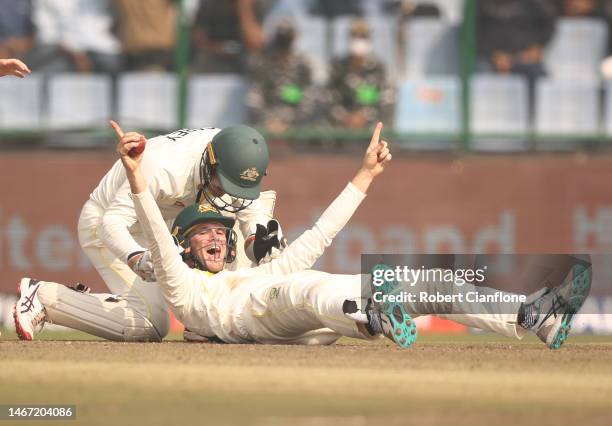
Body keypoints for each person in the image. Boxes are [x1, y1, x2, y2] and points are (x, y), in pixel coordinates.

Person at [14, 123, 592, 349]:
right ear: (184, 247)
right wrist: (145, 232)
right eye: (205, 236)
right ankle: (50, 297)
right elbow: (140, 230)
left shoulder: (238, 255)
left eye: (222, 232)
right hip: (118, 224)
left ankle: (526, 315)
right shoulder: (185, 284)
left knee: (404, 281)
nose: (217, 239)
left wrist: (364, 177)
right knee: (149, 324)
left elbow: (311, 241)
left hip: (271, 305)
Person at [72, 123, 282, 342]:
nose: (229, 195)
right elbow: (111, 222)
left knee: (264, 235)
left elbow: (253, 218)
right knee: (150, 323)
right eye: (224, 186)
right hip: (115, 226)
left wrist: (262, 246)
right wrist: (136, 257)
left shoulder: (236, 154)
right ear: (210, 164)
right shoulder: (163, 167)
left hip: (165, 221)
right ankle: (42, 297)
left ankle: (211, 320)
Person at [246, 19, 315, 133]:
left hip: (295, 125)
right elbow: (254, 98)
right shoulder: (263, 64)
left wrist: (289, 122)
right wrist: (268, 121)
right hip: (267, 125)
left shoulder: (303, 66)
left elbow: (309, 99)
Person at [326, 19, 392, 129]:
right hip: (341, 130)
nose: (359, 41)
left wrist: (364, 116)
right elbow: (328, 98)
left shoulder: (378, 68)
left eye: (363, 37)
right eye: (355, 37)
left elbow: (385, 101)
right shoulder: (339, 67)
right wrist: (345, 117)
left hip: (369, 131)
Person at [191, 0, 270, 74]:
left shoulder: (255, 4)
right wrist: (219, 48)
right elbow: (198, 39)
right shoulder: (209, 3)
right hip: (211, 67)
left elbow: (256, 43)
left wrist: (244, 9)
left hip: (243, 68)